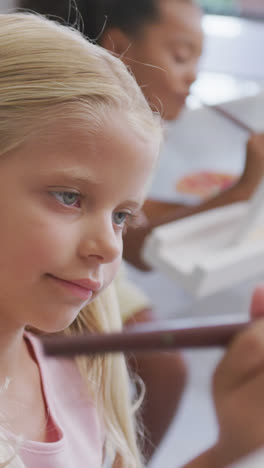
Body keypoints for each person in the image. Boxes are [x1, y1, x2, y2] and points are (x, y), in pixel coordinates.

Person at [2, 11, 264, 468]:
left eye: (123, 216)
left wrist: (232, 445)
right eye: (69, 197)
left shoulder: (80, 379)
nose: (110, 247)